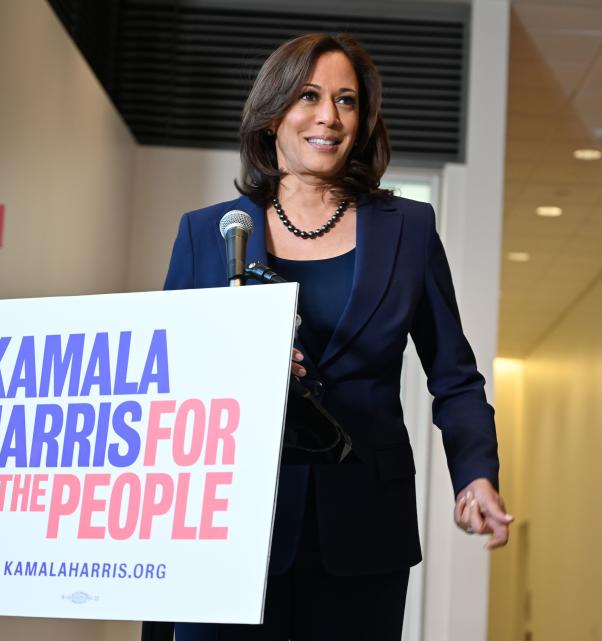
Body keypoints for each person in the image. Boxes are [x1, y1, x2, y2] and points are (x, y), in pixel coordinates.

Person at [150, 33, 511, 641]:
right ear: (272, 115)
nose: (329, 116)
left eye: (346, 101)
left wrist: (475, 472)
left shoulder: (410, 229)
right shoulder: (207, 232)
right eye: (309, 96)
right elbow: (164, 378)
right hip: (226, 530)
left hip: (365, 527)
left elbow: (454, 375)